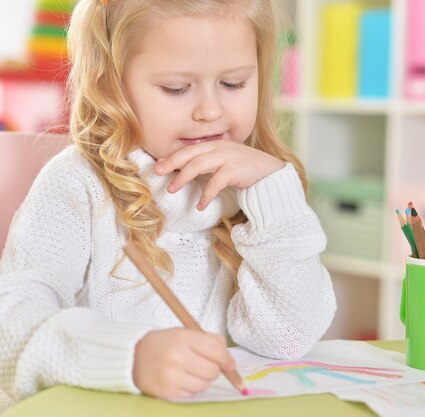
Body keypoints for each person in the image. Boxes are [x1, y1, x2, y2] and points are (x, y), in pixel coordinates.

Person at [0, 0, 336, 407]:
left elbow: (288, 339)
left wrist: (273, 197)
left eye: (233, 84)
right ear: (113, 86)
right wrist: (130, 357)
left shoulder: (255, 188)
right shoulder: (78, 183)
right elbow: (10, 323)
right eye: (176, 88)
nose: (210, 111)